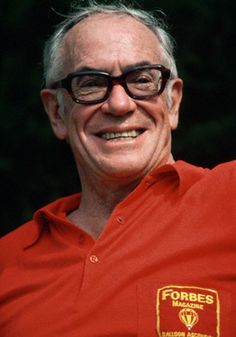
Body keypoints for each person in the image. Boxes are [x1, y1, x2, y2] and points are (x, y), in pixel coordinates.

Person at [1, 2, 235, 336]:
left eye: (142, 79)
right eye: (90, 83)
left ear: (174, 102)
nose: (119, 104)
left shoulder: (229, 197)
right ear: (56, 112)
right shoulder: (8, 260)